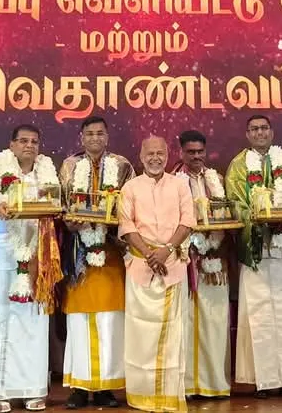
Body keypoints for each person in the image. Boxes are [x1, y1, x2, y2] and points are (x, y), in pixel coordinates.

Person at [225, 114, 282, 398]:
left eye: (264, 128)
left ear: (272, 132)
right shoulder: (238, 166)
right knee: (258, 315)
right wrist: (257, 217)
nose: (260, 133)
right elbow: (235, 202)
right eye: (254, 129)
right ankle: (262, 381)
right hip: (256, 251)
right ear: (247, 134)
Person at [0, 124, 64, 412]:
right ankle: (0, 392)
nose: (29, 146)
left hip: (37, 258)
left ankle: (33, 390)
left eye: (34, 142)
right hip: (4, 257)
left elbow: (56, 207)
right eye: (23, 141)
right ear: (12, 144)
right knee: (0, 322)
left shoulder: (47, 175)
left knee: (35, 324)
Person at [60, 117, 136, 409]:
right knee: (78, 321)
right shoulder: (69, 166)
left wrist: (114, 222)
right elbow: (62, 205)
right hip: (79, 254)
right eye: (89, 133)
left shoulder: (122, 166)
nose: (94, 138)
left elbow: (130, 206)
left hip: (111, 253)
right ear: (81, 137)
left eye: (99, 133)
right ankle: (79, 387)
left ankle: (106, 387)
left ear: (107, 136)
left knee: (111, 320)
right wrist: (70, 223)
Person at [119, 137, 197, 413]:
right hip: (141, 268)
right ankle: (142, 396)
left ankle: (169, 397)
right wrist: (150, 253)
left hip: (172, 266)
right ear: (141, 156)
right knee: (140, 335)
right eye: (150, 153)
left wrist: (166, 250)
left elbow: (188, 221)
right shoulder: (130, 187)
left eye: (160, 153)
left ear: (167, 155)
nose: (155, 158)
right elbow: (126, 226)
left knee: (174, 334)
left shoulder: (180, 185)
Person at [173, 131, 231, 399]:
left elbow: (228, 216)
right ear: (181, 153)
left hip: (215, 260)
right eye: (190, 152)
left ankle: (213, 384)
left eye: (200, 152)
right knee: (184, 321)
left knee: (214, 320)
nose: (196, 156)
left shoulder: (217, 180)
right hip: (185, 259)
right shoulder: (173, 181)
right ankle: (185, 385)